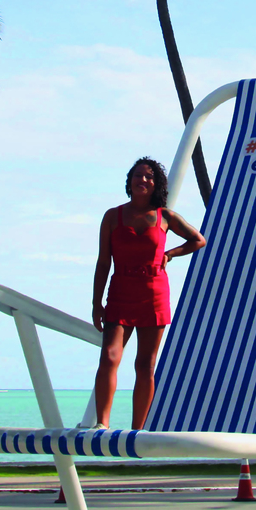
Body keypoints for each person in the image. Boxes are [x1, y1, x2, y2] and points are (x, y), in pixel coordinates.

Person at [91, 157, 205, 430]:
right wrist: (96, 303)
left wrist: (170, 254)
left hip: (154, 293)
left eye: (149, 177)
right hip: (120, 292)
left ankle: (137, 430)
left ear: (157, 185)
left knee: (145, 365)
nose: (143, 180)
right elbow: (103, 262)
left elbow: (198, 239)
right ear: (129, 181)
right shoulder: (112, 216)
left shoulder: (165, 216)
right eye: (138, 175)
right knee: (109, 355)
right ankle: (101, 424)